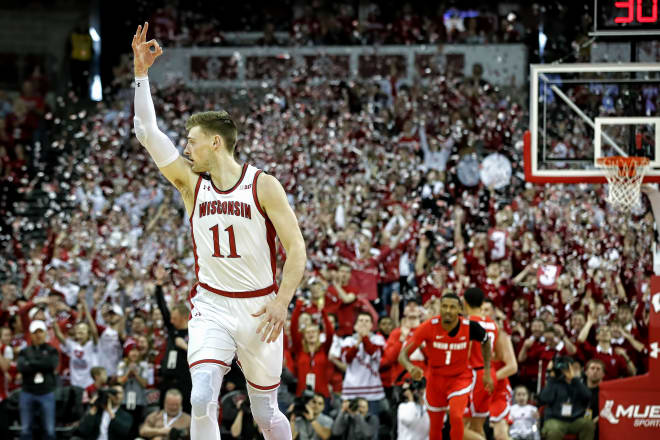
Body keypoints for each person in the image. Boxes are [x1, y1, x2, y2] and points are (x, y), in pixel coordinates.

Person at [132, 22, 306, 440]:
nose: (185, 148)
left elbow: (296, 249)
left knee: (266, 415)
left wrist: (282, 302)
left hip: (259, 309)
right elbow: (146, 133)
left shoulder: (262, 184)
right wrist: (141, 76)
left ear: (214, 143)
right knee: (201, 396)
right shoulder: (191, 185)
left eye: (191, 141)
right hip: (210, 304)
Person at [398, 293, 492, 440]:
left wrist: (487, 370)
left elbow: (486, 342)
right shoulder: (428, 326)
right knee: (435, 426)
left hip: (460, 378)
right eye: (444, 306)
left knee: (456, 416)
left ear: (460, 309)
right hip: (435, 379)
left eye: (452, 307)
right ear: (440, 308)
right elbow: (402, 355)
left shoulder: (470, 327)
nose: (448, 310)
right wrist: (410, 368)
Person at [153, 266, 192, 413]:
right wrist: (158, 284)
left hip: (185, 381)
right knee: (163, 412)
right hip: (167, 381)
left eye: (174, 317)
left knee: (185, 412)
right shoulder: (172, 330)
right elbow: (162, 308)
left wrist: (186, 346)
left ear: (183, 317)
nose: (171, 320)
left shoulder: (195, 332)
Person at [463, 287, 499, 440]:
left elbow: (467, 352)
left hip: (475, 375)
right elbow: (495, 353)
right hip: (490, 372)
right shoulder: (492, 324)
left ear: (465, 303)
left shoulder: (468, 323)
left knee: (459, 427)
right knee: (477, 427)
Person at [16, 320, 59, 440]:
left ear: (45, 333)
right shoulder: (24, 351)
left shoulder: (52, 350)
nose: (38, 335)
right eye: (35, 332)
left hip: (46, 392)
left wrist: (31, 363)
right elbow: (21, 367)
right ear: (30, 334)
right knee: (25, 430)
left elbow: (51, 364)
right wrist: (41, 363)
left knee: (49, 430)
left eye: (40, 332)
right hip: (27, 392)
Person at [537, 356, 594, 440]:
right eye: (563, 368)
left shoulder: (577, 383)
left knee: (588, 425)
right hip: (555, 419)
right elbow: (544, 399)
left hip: (575, 420)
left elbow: (588, 397)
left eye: (568, 367)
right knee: (554, 430)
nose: (565, 370)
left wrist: (574, 379)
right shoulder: (554, 382)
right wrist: (551, 378)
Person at [52, 294, 99, 389]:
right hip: (74, 386)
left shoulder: (92, 345)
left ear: (88, 333)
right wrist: (54, 315)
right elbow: (58, 334)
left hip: (89, 385)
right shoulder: (71, 345)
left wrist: (86, 309)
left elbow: (94, 331)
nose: (80, 332)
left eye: (83, 330)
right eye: (78, 330)